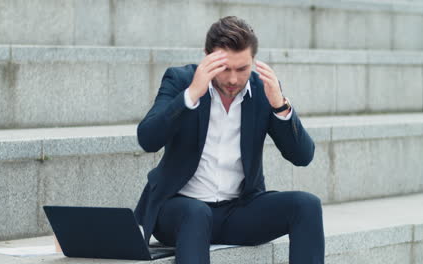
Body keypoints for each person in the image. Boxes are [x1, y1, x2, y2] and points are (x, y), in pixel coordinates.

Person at [135, 16, 325, 264]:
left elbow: (302, 156)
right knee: (196, 213)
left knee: (306, 205)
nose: (234, 79)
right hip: (179, 211)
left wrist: (280, 106)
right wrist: (191, 95)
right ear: (207, 57)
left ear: (253, 61)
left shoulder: (262, 91)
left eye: (242, 69)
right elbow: (147, 139)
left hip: (237, 211)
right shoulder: (180, 80)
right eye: (225, 68)